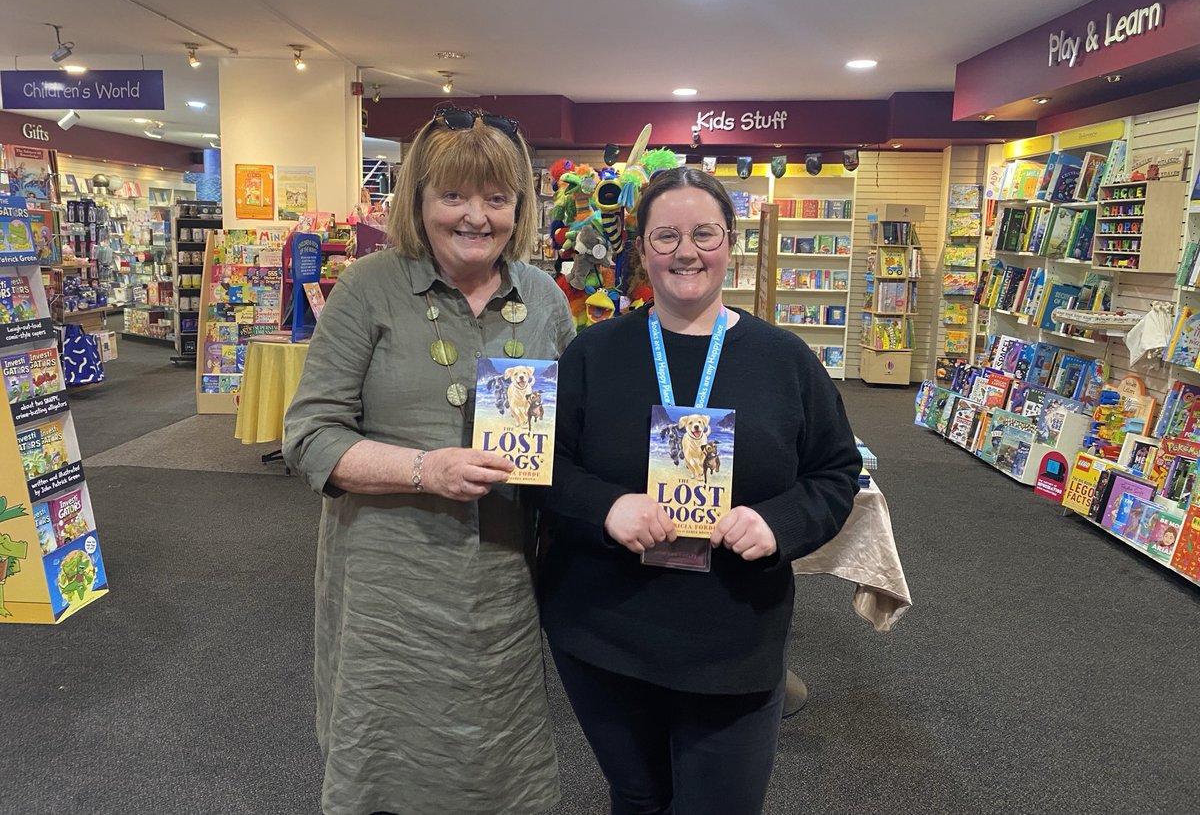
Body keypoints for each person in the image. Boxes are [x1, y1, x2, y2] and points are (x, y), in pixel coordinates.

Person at [538, 167, 861, 815]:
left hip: (733, 638)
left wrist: (780, 523)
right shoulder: (592, 353)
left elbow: (835, 469)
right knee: (637, 796)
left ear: (731, 243)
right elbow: (543, 467)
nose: (686, 251)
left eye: (704, 233)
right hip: (605, 635)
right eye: (666, 236)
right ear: (642, 250)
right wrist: (607, 507)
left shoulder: (785, 359)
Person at [283, 107, 575, 815]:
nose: (476, 216)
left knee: (494, 752)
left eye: (496, 198)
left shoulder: (540, 297)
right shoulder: (367, 287)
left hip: (501, 574)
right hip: (389, 579)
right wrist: (424, 470)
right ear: (419, 200)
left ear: (519, 207)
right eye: (454, 196)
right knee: (389, 748)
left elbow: (579, 428)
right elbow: (311, 434)